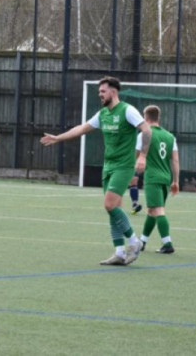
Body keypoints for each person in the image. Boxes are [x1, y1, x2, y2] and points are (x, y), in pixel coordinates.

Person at [41, 76, 151, 266]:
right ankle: (119, 252)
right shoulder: (102, 114)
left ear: (113, 92)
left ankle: (134, 242)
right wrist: (58, 138)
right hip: (107, 165)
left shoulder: (127, 110)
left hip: (123, 166)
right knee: (113, 209)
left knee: (109, 205)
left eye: (102, 91)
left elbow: (146, 129)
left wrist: (142, 156)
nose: (99, 94)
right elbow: (81, 129)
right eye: (99, 91)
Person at [136, 105, 179, 254]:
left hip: (152, 177)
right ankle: (142, 242)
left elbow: (136, 158)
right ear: (158, 117)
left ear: (146, 118)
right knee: (152, 210)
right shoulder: (170, 136)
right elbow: (175, 160)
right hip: (166, 178)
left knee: (158, 210)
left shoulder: (144, 135)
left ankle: (167, 243)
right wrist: (176, 181)